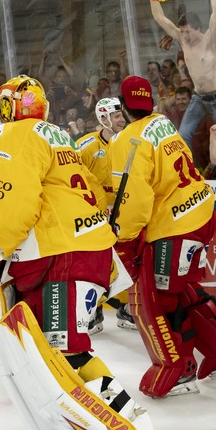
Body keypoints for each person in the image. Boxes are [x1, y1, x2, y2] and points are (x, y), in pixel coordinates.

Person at [0, 75, 154, 430]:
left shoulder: (7, 136)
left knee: (56, 356)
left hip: (62, 259)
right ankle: (126, 419)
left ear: (11, 107)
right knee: (65, 350)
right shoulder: (53, 134)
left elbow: (13, 212)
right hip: (89, 253)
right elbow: (47, 188)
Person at [108, 75, 216, 399]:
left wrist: (124, 242)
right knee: (180, 289)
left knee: (160, 299)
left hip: (175, 227)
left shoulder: (127, 141)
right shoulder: (163, 124)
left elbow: (134, 202)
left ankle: (180, 369)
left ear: (123, 106)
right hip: (199, 211)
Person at [148, 0, 216, 150]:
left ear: (198, 29)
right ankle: (185, 172)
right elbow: (159, 17)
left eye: (188, 31)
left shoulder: (209, 39)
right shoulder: (182, 40)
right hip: (198, 97)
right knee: (183, 135)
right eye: (183, 31)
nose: (184, 35)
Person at [77, 97, 137, 330]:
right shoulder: (86, 146)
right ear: (103, 119)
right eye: (116, 115)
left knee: (124, 262)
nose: (122, 119)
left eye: (122, 114)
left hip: (123, 214)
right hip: (95, 218)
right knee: (95, 264)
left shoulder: (129, 142)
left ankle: (124, 309)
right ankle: (94, 311)